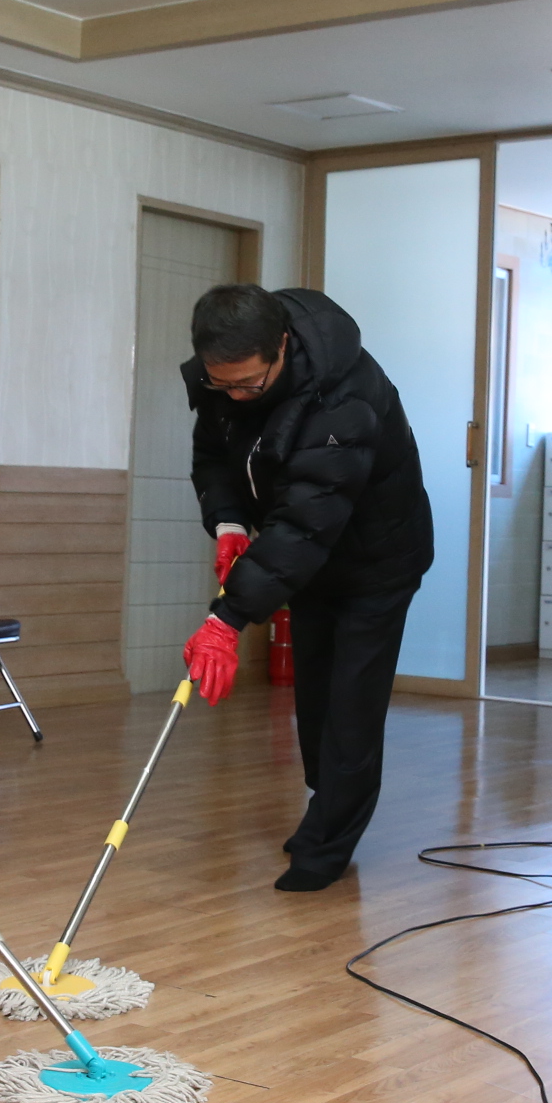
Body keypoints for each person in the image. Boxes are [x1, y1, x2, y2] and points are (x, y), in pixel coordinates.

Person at [179, 284, 433, 892]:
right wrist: (231, 522)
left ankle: (327, 848)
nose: (234, 396)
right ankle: (326, 814)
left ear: (283, 348)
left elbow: (307, 519)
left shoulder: (347, 398)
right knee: (316, 698)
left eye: (248, 384)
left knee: (351, 704)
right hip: (311, 560)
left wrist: (226, 619)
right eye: (223, 385)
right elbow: (214, 454)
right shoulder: (224, 376)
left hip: (376, 560)